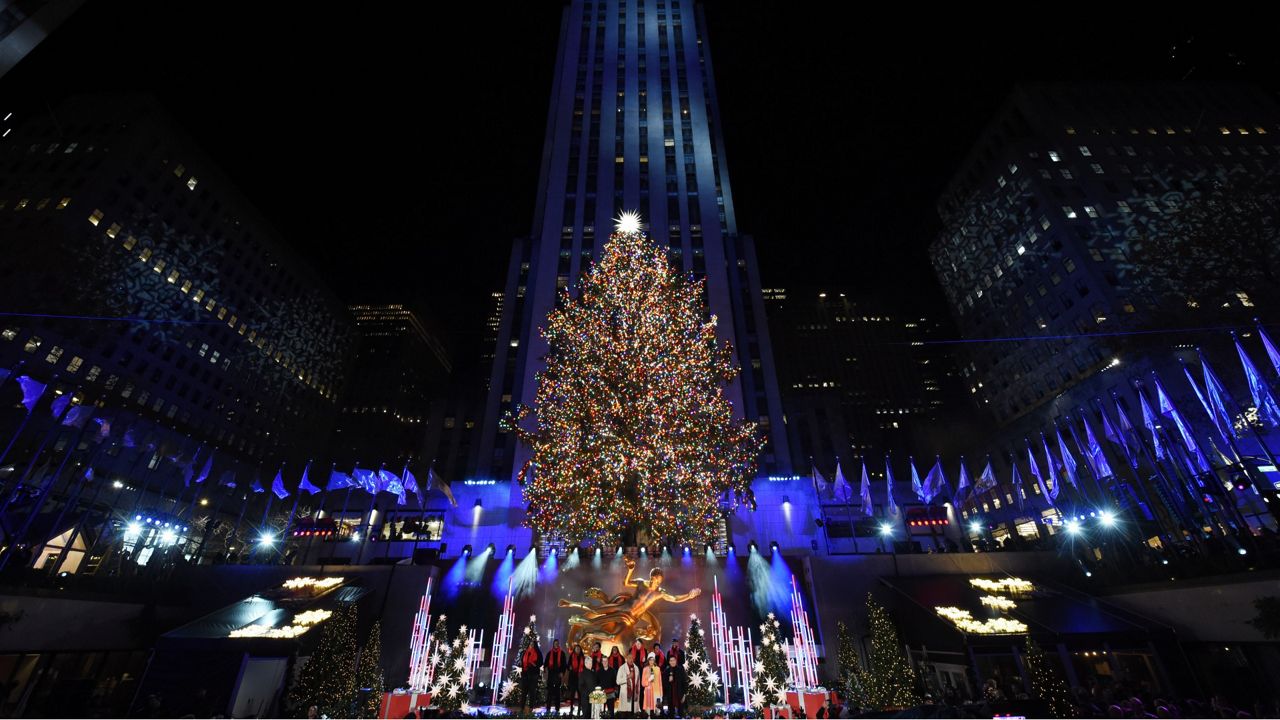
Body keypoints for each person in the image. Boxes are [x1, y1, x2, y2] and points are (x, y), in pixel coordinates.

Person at [520, 638, 543, 715]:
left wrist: (534, 665)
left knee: (532, 692)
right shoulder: (525, 652)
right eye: (530, 644)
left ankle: (530, 708)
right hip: (525, 674)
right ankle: (522, 708)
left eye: (533, 644)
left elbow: (540, 662)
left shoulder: (538, 652)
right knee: (524, 692)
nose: (531, 645)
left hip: (534, 675)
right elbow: (522, 662)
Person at [546, 638, 568, 715]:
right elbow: (546, 663)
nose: (556, 644)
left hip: (558, 675)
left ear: (558, 644)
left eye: (557, 643)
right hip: (551, 675)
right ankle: (548, 709)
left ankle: (557, 709)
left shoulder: (562, 653)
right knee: (549, 693)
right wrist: (544, 668)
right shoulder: (549, 653)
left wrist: (562, 672)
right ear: (553, 644)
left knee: (557, 693)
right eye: (555, 643)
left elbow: (564, 665)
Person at [662, 654, 686, 718]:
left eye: (673, 660)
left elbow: (684, 682)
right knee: (671, 714)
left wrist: (684, 694)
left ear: (676, 661)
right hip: (670, 695)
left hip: (680, 694)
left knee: (681, 713)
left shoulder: (681, 669)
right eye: (671, 661)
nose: (672, 662)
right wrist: (668, 681)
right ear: (669, 662)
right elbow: (664, 683)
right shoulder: (666, 671)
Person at [568, 643, 586, 716]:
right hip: (573, 678)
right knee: (572, 694)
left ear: (580, 650)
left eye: (579, 649)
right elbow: (568, 665)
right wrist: (569, 667)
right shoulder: (571, 656)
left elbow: (585, 667)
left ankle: (579, 709)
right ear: (574, 650)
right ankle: (571, 708)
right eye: (576, 649)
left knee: (580, 695)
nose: (577, 650)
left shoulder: (583, 657)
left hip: (580, 678)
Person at [604, 647, 623, 716]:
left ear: (618, 650)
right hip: (612, 678)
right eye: (613, 649)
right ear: (611, 650)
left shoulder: (621, 657)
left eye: (615, 649)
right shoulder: (609, 658)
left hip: (620, 677)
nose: (614, 650)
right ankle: (609, 712)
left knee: (619, 694)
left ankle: (620, 710)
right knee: (612, 696)